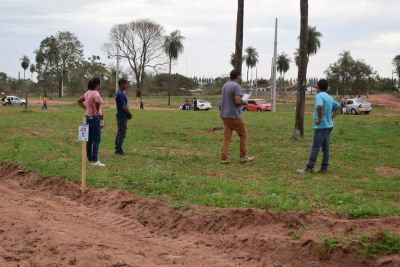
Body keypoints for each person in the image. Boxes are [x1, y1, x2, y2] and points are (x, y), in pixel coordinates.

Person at [297, 79, 341, 174]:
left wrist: (320, 119)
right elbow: (338, 108)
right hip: (329, 126)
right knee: (325, 148)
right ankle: (324, 168)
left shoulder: (319, 96)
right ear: (327, 87)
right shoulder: (329, 97)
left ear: (318, 87)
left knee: (315, 147)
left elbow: (319, 107)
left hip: (321, 127)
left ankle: (309, 167)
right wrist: (330, 118)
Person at [220, 69, 254, 164]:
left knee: (227, 138)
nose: (241, 77)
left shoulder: (225, 85)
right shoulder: (236, 86)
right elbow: (238, 101)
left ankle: (224, 158)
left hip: (224, 115)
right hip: (234, 116)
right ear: (237, 76)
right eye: (240, 75)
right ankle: (243, 156)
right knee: (243, 135)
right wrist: (245, 102)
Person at [77, 78, 105, 167]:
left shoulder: (87, 93)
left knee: (89, 140)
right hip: (95, 118)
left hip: (87, 118)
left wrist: (87, 109)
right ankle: (95, 160)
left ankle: (90, 158)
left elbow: (79, 101)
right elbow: (97, 102)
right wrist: (98, 113)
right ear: (97, 84)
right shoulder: (96, 93)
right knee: (97, 139)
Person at [115, 78, 132, 155]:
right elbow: (124, 106)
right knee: (122, 132)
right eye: (125, 84)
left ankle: (117, 147)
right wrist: (129, 114)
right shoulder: (120, 94)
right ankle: (118, 149)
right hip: (122, 116)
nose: (126, 85)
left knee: (120, 132)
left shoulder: (120, 93)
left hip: (121, 115)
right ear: (121, 84)